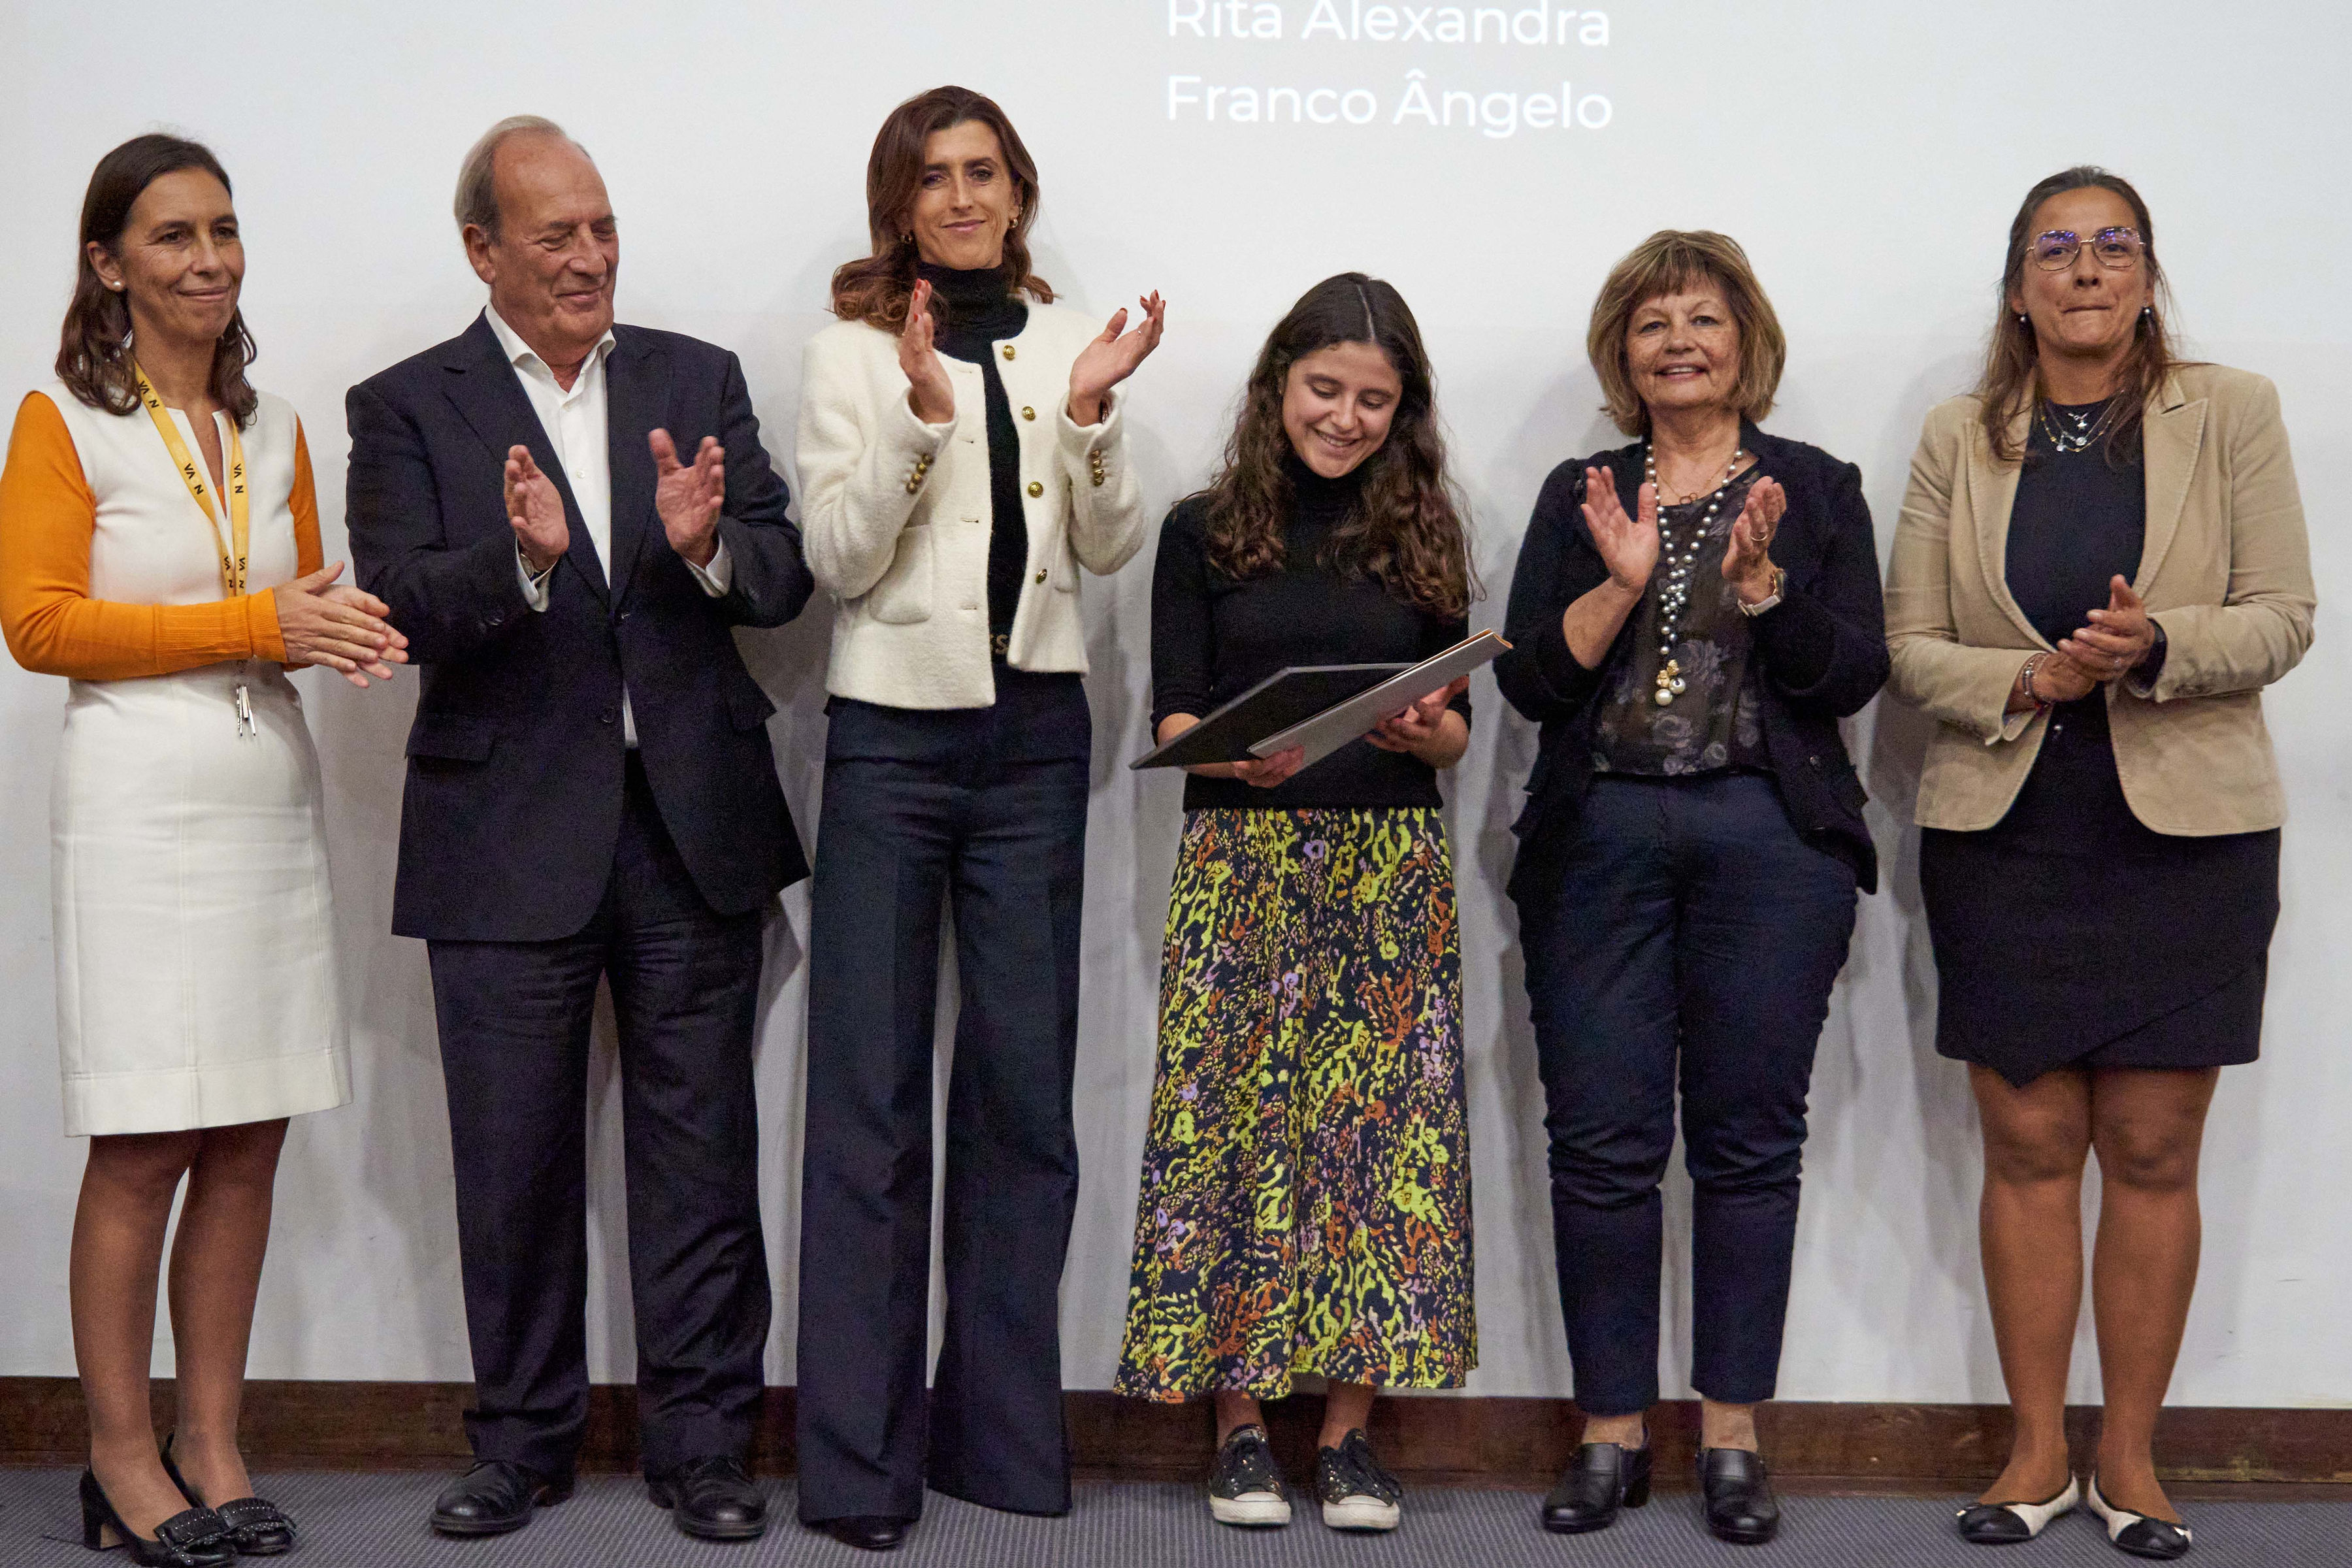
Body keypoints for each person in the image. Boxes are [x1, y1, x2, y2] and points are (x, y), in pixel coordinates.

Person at [343, 116, 815, 1543]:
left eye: (603, 227)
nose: (591, 256)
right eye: (557, 234)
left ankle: (704, 1446)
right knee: (512, 1163)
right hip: (502, 836)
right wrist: (526, 563)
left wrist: (703, 548)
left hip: (687, 834)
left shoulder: (696, 377)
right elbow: (400, 603)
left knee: (700, 1157)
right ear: (482, 249)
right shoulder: (404, 405)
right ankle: (523, 1442)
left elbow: (784, 575)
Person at [1884, 167, 2313, 1561]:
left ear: (2147, 276)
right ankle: (2030, 1453)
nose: (2084, 270)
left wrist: (2162, 648)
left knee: (2150, 1144)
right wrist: (2032, 677)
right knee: (2026, 1144)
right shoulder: (1962, 435)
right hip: (2011, 828)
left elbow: (2285, 615)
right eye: (2055, 251)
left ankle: (2128, 1456)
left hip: (2184, 831)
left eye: (2111, 247)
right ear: (2018, 286)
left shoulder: (2232, 410)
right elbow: (1908, 646)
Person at [0, 134, 406, 1567]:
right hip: (137, 807)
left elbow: (294, 602)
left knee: (249, 1134)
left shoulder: (277, 423)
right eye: (172, 236)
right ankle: (118, 1459)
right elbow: (39, 624)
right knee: (146, 1137)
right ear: (109, 264)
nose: (210, 257)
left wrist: (344, 632)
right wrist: (258, 626)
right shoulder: (63, 418)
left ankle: (212, 1440)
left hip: (260, 792)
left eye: (224, 229)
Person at [791, 84, 1162, 1553]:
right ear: (900, 203)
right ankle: (859, 1468)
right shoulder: (845, 354)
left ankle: (1001, 1442)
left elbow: (1114, 542)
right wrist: (921, 428)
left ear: (1017, 192)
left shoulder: (1076, 343)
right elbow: (835, 557)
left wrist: (1089, 417)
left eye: (983, 173)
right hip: (889, 738)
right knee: (868, 1102)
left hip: (1032, 741)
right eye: (933, 177)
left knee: (1021, 1099)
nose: (960, 197)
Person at [1494, 231, 1887, 1547]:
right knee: (1601, 1142)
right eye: (1652, 322)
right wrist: (1620, 586)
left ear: (1746, 341)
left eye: (1702, 319)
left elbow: (1850, 679)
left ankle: (1731, 1438)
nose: (1678, 342)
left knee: (1745, 1144)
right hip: (1600, 837)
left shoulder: (1817, 490)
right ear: (1624, 351)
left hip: (1768, 844)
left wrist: (1767, 591)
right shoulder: (1581, 489)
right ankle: (1610, 1433)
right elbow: (1533, 686)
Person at [1115, 273, 1477, 1536]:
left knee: (1376, 1151)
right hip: (1243, 862)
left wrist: (1433, 730)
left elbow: (1456, 740)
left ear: (1404, 411)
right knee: (1230, 1135)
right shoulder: (1203, 528)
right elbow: (1170, 718)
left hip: (1388, 869)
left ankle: (1350, 1436)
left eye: (1376, 400)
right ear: (1279, 384)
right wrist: (1228, 752)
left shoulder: (1427, 529)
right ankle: (1237, 1431)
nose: (1347, 417)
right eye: (1326, 389)